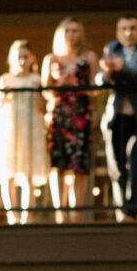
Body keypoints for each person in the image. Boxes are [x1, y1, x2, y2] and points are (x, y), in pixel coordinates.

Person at [97, 15, 137, 220]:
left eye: (132, 28)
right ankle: (121, 209)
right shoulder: (112, 48)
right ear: (117, 32)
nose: (128, 33)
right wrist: (108, 74)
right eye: (123, 29)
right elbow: (100, 79)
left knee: (136, 165)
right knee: (117, 167)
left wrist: (121, 69)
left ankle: (132, 211)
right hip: (117, 117)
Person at [0, 39, 46, 224]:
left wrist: (37, 93)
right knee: (8, 173)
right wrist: (3, 94)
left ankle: (27, 216)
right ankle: (12, 216)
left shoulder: (36, 80)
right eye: (18, 57)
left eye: (25, 57)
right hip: (9, 129)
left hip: (30, 128)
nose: (22, 61)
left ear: (31, 58)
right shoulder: (4, 80)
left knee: (28, 173)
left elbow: (42, 108)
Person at [44, 19, 95, 217]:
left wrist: (80, 86)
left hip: (81, 114)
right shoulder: (51, 59)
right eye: (68, 31)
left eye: (76, 31)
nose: (72, 35)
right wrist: (61, 83)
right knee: (59, 164)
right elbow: (45, 91)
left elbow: (94, 89)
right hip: (59, 115)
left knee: (80, 165)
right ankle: (60, 212)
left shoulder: (88, 57)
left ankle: (76, 212)